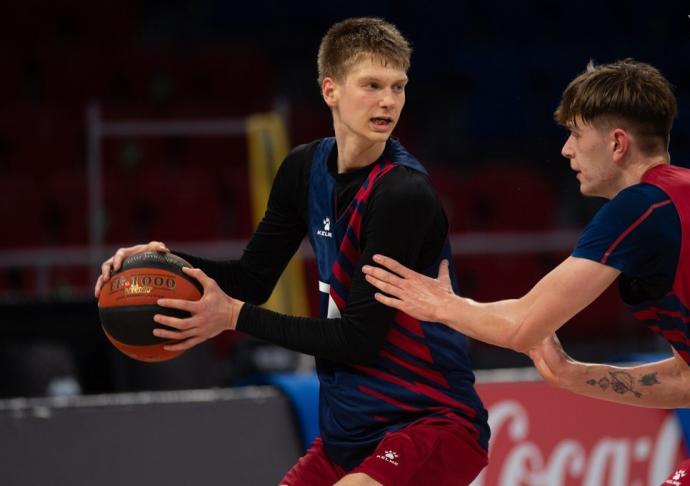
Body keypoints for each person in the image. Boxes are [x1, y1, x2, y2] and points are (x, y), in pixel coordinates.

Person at [95, 17, 489, 486]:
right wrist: (160, 262)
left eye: (398, 87)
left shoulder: (403, 194)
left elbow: (359, 340)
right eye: (372, 85)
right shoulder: (303, 169)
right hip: (349, 432)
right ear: (331, 90)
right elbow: (251, 279)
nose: (388, 101)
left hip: (431, 420)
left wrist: (233, 316)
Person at [362, 59, 690, 482]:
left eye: (575, 133)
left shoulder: (641, 206)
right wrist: (573, 375)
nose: (565, 149)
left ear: (617, 143)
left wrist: (442, 306)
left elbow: (521, 326)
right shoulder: (677, 194)